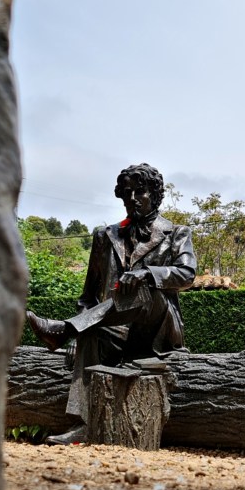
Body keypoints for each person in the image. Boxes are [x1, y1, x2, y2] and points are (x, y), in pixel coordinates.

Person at [26, 163, 197, 444]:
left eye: (139, 192)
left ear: (155, 194)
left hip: (156, 332)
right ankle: (85, 425)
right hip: (115, 333)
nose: (132, 199)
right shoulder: (105, 236)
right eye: (126, 193)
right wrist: (81, 336)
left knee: (148, 287)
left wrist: (147, 273)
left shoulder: (177, 233)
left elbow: (187, 274)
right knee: (91, 332)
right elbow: (88, 297)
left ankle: (66, 329)